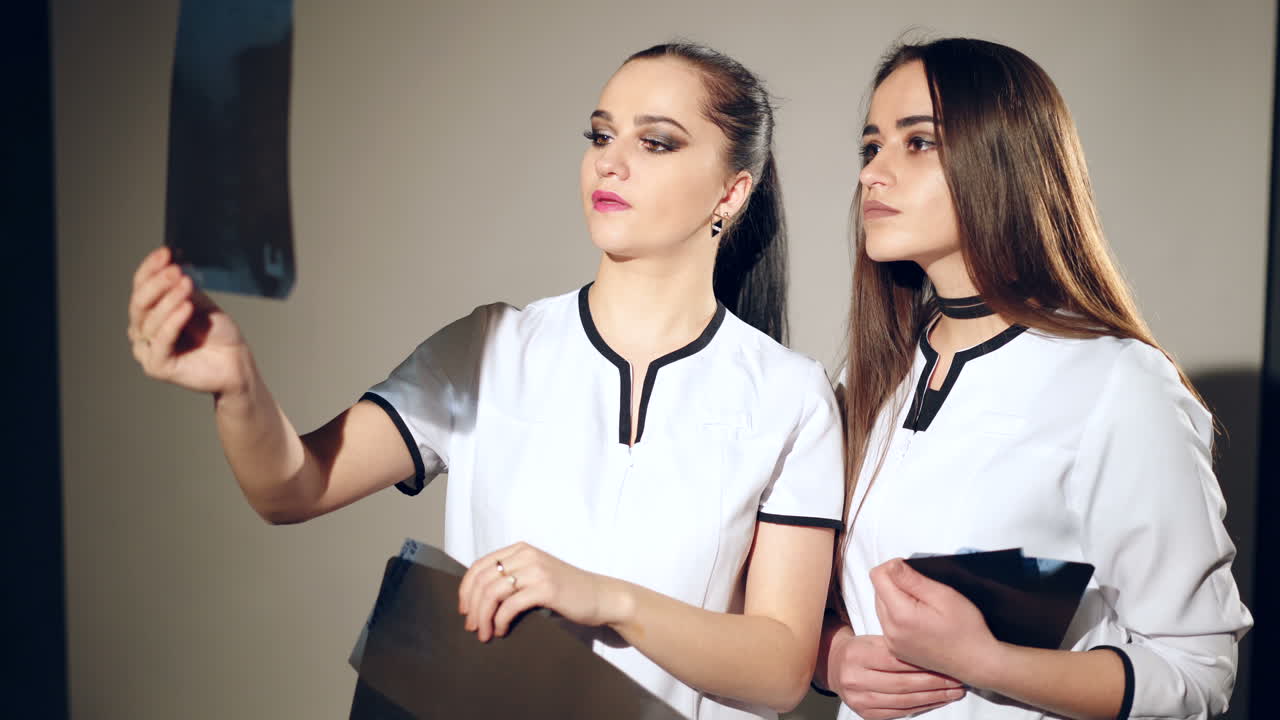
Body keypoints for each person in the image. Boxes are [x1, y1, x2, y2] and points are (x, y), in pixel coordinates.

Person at [127, 42, 843, 719]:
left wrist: (606, 599)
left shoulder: (790, 396)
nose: (610, 164)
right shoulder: (490, 347)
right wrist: (237, 387)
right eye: (600, 136)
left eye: (653, 142)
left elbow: (781, 666)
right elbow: (294, 487)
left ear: (732, 191)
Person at [812, 38, 1252, 720]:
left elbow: (1197, 672)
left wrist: (986, 662)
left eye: (918, 143)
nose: (874, 173)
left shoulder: (1118, 383)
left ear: (1003, 160)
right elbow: (827, 596)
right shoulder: (873, 373)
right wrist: (833, 656)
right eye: (871, 147)